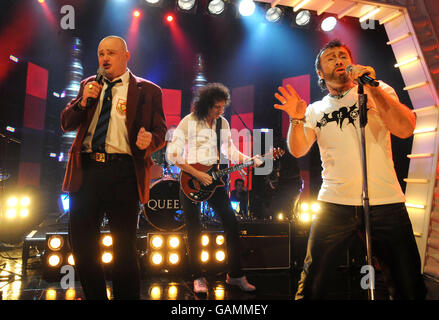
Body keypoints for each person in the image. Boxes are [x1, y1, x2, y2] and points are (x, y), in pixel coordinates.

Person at [274, 39, 426, 299]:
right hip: (335, 202)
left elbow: (405, 128)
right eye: (331, 57)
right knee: (312, 286)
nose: (338, 59)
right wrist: (297, 119)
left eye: (343, 55)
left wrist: (373, 88)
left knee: (409, 288)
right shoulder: (315, 109)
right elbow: (298, 150)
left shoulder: (379, 90)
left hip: (386, 201)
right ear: (320, 73)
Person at [60, 35, 167, 300]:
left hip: (123, 173)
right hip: (87, 171)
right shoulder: (88, 85)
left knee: (124, 248)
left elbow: (160, 131)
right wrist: (83, 101)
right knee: (82, 244)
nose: (105, 58)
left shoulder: (148, 90)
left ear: (126, 56)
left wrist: (149, 140)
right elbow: (66, 123)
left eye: (111, 53)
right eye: (100, 54)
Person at [167, 83, 262, 294]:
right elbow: (173, 154)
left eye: (222, 107)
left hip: (215, 180)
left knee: (231, 222)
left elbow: (229, 149)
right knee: (194, 228)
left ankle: (236, 275)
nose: (220, 111)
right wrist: (196, 173)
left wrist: (248, 160)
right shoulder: (188, 122)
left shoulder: (223, 124)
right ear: (205, 105)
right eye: (216, 107)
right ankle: (197, 277)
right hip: (190, 180)